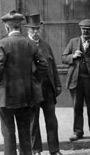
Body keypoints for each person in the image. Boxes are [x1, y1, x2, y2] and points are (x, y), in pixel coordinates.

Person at [0, 10, 47, 155]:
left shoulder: (2, 44)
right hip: (26, 95)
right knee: (25, 132)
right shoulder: (29, 43)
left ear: (7, 27)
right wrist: (34, 81)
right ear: (19, 27)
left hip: (6, 96)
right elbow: (42, 64)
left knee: (8, 132)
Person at [62, 19, 90, 142]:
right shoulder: (73, 42)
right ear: (80, 30)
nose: (85, 32)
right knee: (77, 107)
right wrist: (73, 56)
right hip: (76, 80)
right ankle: (78, 132)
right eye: (83, 29)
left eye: (88, 30)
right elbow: (63, 57)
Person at [25, 14, 62, 155]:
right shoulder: (24, 45)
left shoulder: (46, 45)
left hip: (47, 89)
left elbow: (53, 66)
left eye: (37, 29)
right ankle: (36, 150)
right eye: (32, 29)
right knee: (33, 121)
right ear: (27, 30)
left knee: (51, 120)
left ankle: (55, 150)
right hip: (33, 89)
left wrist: (57, 84)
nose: (35, 32)